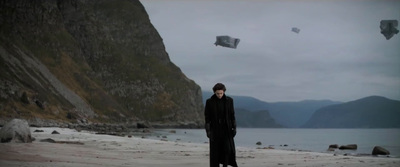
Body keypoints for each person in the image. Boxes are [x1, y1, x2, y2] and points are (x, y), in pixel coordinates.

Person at [204, 83, 238, 167]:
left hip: (227, 129)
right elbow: (207, 117)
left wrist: (234, 127)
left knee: (228, 149)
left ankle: (225, 165)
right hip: (215, 130)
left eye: (221, 93)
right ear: (214, 92)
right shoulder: (209, 102)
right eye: (217, 93)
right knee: (215, 152)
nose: (219, 95)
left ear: (224, 92)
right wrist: (208, 131)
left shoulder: (229, 100)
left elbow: (232, 115)